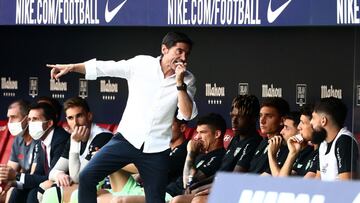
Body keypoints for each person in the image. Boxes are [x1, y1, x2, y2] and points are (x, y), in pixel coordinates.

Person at [47, 31, 197, 203]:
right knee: (87, 175)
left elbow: (186, 114)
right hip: (126, 140)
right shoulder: (142, 64)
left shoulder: (189, 80)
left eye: (187, 53)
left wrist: (179, 84)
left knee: (155, 199)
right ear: (164, 49)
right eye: (179, 51)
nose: (183, 57)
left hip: (157, 149)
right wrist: (72, 67)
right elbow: (105, 67)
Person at [181, 95, 263, 203]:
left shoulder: (253, 142)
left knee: (194, 200)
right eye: (232, 116)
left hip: (235, 191)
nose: (234, 121)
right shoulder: (235, 139)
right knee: (179, 198)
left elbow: (234, 178)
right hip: (222, 186)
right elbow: (221, 173)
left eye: (240, 117)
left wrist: (202, 188)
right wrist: (198, 185)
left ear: (253, 119)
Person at [97, 115, 189, 203]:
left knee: (113, 161)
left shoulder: (186, 147)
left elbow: (152, 169)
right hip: (141, 189)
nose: (165, 129)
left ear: (182, 128)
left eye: (170, 126)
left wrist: (117, 161)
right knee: (94, 194)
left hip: (161, 193)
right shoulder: (160, 146)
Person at [38, 97, 113, 203]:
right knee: (44, 186)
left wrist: (74, 142)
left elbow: (78, 177)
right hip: (87, 184)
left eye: (79, 116)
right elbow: (53, 171)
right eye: (70, 118)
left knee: (52, 192)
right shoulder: (74, 138)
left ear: (89, 116)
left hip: (106, 186)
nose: (75, 122)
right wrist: (59, 174)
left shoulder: (102, 137)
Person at [8, 103, 70, 203]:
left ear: (49, 123)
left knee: (34, 193)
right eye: (29, 119)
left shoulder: (61, 139)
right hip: (47, 182)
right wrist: (14, 183)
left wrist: (17, 176)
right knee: (17, 189)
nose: (31, 123)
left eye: (35, 119)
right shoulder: (41, 139)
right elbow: (38, 174)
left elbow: (51, 175)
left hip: (64, 183)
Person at [170, 113, 226, 203]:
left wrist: (191, 153)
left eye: (202, 132)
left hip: (172, 196)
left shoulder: (219, 157)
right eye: (197, 132)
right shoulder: (200, 153)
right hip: (167, 190)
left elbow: (188, 182)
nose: (197, 137)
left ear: (217, 134)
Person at [234, 97, 290, 174]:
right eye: (260, 115)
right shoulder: (264, 141)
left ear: (281, 121)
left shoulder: (286, 147)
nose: (262, 121)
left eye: (269, 116)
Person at [310, 97, 359, 180]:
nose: (311, 122)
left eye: (313, 118)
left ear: (323, 121)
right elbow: (318, 178)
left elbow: (346, 185)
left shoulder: (344, 141)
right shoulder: (323, 143)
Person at [0, 100, 34, 203]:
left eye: (14, 117)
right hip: (22, 182)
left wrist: (13, 181)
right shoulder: (18, 139)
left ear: (27, 119)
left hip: (34, 185)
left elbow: (33, 176)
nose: (9, 122)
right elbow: (8, 171)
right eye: (8, 117)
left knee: (13, 191)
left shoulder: (38, 140)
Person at [277, 104, 319, 178]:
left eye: (302, 122)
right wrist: (293, 153)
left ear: (314, 125)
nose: (299, 127)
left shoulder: (321, 152)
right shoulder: (306, 153)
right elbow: (281, 181)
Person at [267, 111, 301, 176]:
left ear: (299, 130)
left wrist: (271, 155)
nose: (281, 132)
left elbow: (280, 181)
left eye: (286, 127)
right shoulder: (286, 150)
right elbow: (266, 175)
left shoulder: (307, 153)